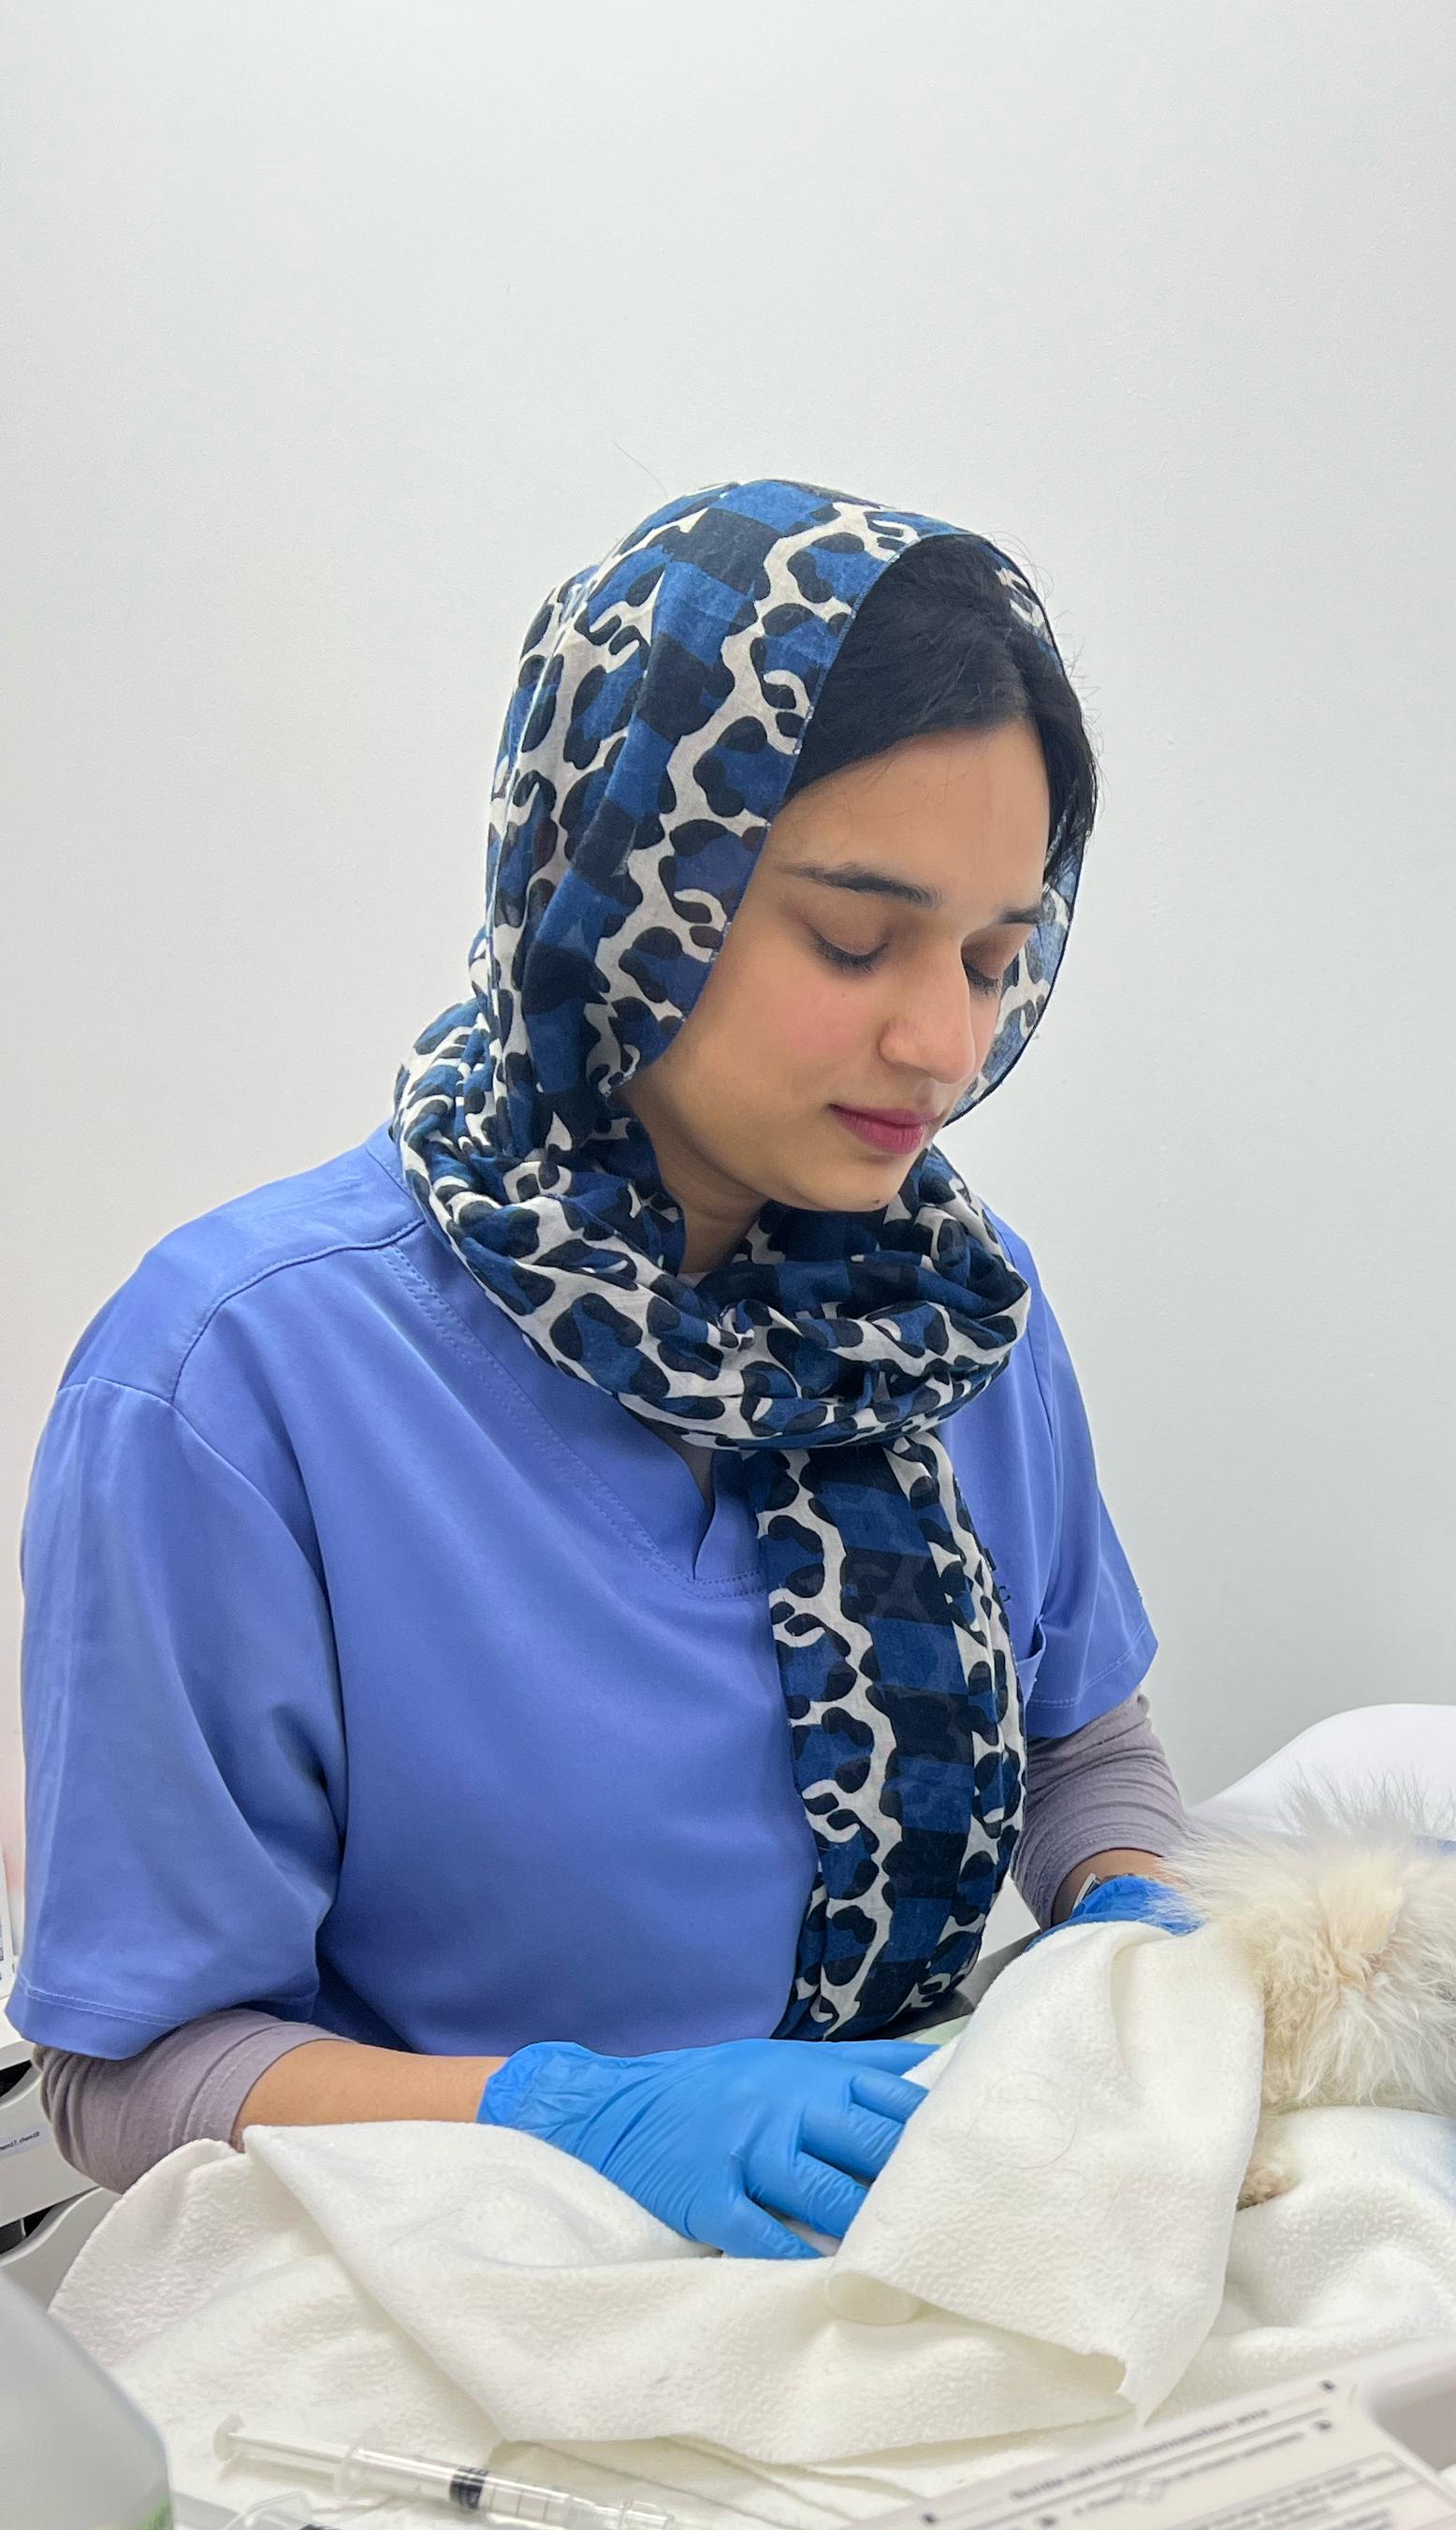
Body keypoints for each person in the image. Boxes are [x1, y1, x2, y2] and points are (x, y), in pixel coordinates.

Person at [10, 482, 1188, 2260]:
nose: (943, 1042)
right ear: (626, 879)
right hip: (437, 2327)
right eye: (856, 940)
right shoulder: (234, 1385)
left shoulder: (945, 1316)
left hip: (905, 2251)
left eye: (993, 959)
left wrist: (1133, 1918)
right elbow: (130, 2077)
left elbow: (1082, 1750)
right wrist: (563, 2118)